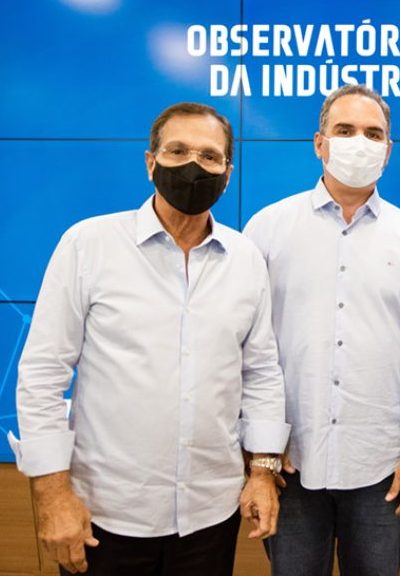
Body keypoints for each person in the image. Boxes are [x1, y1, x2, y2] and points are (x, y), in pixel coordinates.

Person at [8, 102, 290, 576]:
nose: (193, 166)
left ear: (227, 173)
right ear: (150, 162)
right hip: (106, 515)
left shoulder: (245, 259)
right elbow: (41, 374)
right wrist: (52, 495)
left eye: (209, 156)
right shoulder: (88, 245)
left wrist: (263, 471)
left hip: (210, 515)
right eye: (177, 151)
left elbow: (260, 372)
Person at [243, 83, 400, 576]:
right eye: (345, 130)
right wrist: (261, 458)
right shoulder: (267, 229)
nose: (360, 142)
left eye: (373, 133)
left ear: (388, 150)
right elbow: (249, 352)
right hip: (290, 462)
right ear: (320, 143)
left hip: (382, 465)